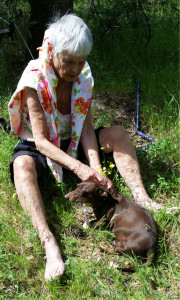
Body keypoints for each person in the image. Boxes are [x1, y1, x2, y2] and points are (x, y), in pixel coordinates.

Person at [8, 14, 178, 281]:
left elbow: (86, 129)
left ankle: (144, 200)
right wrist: (78, 167)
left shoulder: (83, 76)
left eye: (81, 61)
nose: (76, 68)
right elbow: (40, 141)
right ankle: (48, 241)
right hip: (45, 145)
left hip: (72, 139)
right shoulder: (33, 78)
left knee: (119, 133)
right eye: (69, 61)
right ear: (52, 51)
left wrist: (96, 172)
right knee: (21, 165)